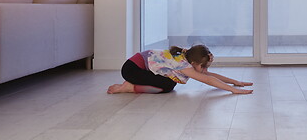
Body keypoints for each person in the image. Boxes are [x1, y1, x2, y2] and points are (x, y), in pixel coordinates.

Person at [107, 44, 253, 94]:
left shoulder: (186, 56)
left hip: (139, 68)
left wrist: (236, 82)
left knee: (170, 84)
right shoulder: (182, 65)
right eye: (203, 67)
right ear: (195, 62)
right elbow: (208, 79)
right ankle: (128, 87)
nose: (204, 70)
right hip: (132, 70)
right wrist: (233, 90)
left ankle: (132, 85)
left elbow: (209, 75)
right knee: (167, 86)